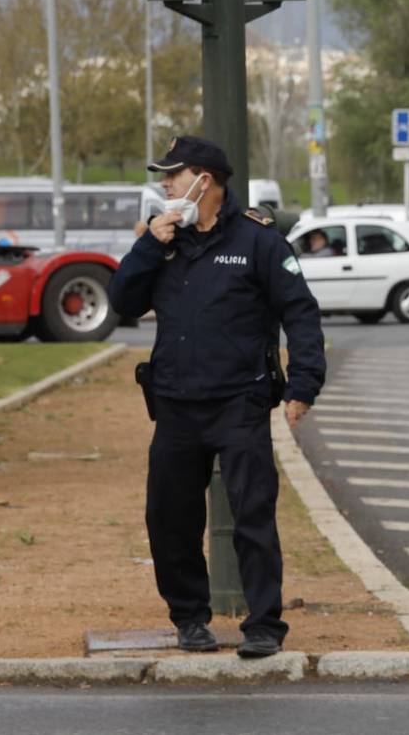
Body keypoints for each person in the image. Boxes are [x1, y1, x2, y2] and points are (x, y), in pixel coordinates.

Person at [108, 136, 325, 659]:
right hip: (176, 404)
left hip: (240, 403)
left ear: (203, 180)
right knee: (170, 516)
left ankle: (264, 626)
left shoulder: (259, 241)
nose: (164, 184)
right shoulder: (164, 241)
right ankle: (190, 619)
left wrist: (304, 385)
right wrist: (148, 246)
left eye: (172, 175)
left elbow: (301, 312)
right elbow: (122, 302)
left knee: (252, 514)